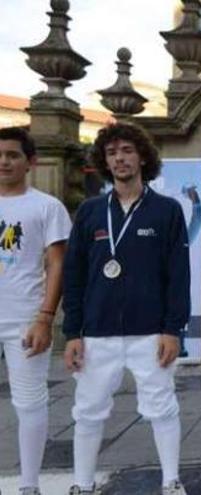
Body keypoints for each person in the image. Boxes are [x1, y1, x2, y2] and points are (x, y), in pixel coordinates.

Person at [62, 123, 190, 495]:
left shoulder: (166, 210)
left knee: (162, 408)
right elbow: (75, 275)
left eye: (127, 150)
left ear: (143, 156)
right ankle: (82, 484)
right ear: (104, 161)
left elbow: (178, 275)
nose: (119, 158)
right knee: (87, 412)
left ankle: (171, 481)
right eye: (112, 152)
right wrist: (72, 332)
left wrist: (172, 329)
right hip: (96, 332)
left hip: (150, 332)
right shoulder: (89, 212)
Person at [0, 127, 71, 495]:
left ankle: (29, 485)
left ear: (30, 162)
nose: (3, 161)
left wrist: (45, 318)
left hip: (24, 319)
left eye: (12, 155)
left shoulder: (46, 206)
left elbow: (56, 264)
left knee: (29, 403)